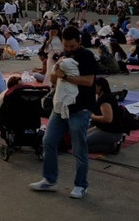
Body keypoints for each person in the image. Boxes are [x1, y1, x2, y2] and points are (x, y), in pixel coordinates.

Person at [30, 25, 96, 199]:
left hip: (79, 109)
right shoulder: (64, 55)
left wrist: (65, 76)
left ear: (79, 42)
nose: (68, 49)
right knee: (48, 141)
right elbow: (52, 78)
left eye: (72, 46)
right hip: (60, 108)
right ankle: (49, 179)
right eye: (66, 46)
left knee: (79, 148)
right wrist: (56, 70)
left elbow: (89, 82)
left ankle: (81, 185)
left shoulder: (87, 56)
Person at [87, 77, 126, 154]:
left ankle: (111, 147)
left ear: (100, 86)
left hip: (112, 132)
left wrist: (92, 116)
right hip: (102, 128)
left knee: (81, 145)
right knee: (79, 139)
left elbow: (108, 119)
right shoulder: (102, 96)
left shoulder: (105, 100)